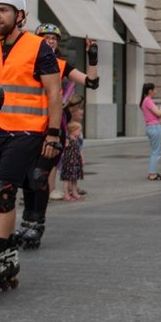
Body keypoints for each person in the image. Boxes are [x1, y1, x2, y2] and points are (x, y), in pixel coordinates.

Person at [0, 0, 63, 286]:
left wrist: (52, 134)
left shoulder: (38, 47)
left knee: (3, 189)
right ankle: (9, 253)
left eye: (4, 10)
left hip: (27, 132)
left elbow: (54, 93)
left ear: (20, 15)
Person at [30, 24, 98, 231]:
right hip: (26, 123)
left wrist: (92, 58)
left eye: (54, 38)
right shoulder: (27, 61)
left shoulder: (61, 65)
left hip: (52, 124)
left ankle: (35, 219)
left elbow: (91, 83)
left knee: (42, 170)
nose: (50, 41)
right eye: (46, 37)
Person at [141, 82, 161, 180]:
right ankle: (152, 174)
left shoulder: (145, 101)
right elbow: (158, 113)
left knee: (155, 151)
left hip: (151, 127)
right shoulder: (148, 101)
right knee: (156, 152)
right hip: (154, 127)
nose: (155, 91)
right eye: (154, 90)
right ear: (150, 91)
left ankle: (152, 172)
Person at [59, 120, 85, 201]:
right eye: (79, 130)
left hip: (76, 162)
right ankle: (66, 194)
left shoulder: (78, 140)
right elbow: (63, 148)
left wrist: (82, 159)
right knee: (66, 179)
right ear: (72, 131)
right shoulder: (68, 140)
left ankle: (75, 193)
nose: (80, 132)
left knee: (75, 179)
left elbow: (80, 150)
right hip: (68, 162)